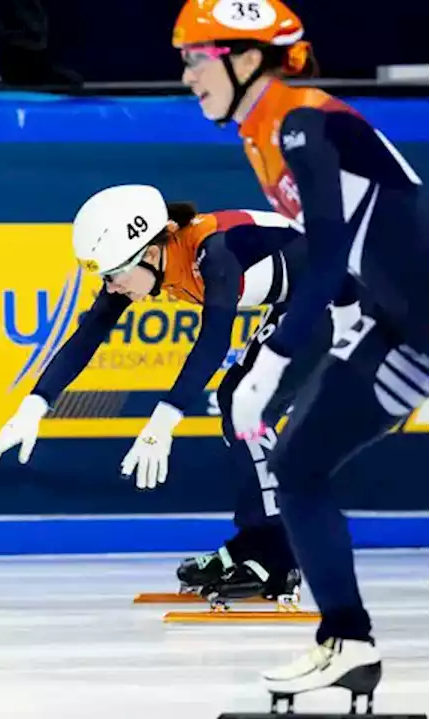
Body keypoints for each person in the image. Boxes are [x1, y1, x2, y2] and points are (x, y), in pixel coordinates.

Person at [174, 0, 429, 705]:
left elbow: (327, 252)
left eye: (197, 57)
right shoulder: (262, 130)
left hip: (417, 318)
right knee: (295, 466)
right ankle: (346, 642)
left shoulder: (299, 120)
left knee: (298, 465)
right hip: (406, 324)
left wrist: (279, 357)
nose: (187, 74)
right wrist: (352, 329)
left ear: (246, 57)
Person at [0, 184, 336, 603]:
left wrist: (162, 423)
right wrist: (33, 406)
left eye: (112, 276)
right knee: (236, 401)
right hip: (308, 292)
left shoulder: (214, 251)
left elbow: (213, 341)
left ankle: (280, 556)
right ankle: (259, 539)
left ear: (150, 253)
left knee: (244, 402)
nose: (110, 288)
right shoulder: (143, 261)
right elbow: (90, 332)